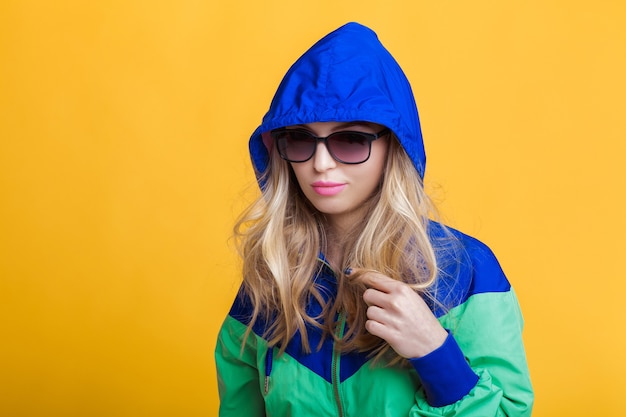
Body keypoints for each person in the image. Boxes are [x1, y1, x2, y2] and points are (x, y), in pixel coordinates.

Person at [215, 22, 534, 416]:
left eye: (350, 139)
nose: (320, 164)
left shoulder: (464, 272)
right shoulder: (270, 279)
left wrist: (435, 354)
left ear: (393, 147)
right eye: (300, 139)